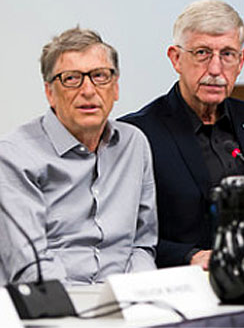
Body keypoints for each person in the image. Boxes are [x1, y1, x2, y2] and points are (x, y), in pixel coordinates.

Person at [120, 0, 244, 269]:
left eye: (227, 54)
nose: (215, 69)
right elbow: (125, 236)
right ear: (176, 58)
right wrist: (189, 256)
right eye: (202, 53)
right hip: (190, 283)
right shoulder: (139, 133)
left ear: (241, 61)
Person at [0, 27, 158, 286]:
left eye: (99, 76)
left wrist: (140, 295)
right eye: (72, 78)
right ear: (49, 92)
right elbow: (30, 267)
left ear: (115, 88)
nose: (88, 90)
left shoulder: (134, 144)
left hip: (127, 306)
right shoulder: (14, 155)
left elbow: (142, 245)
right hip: (54, 309)